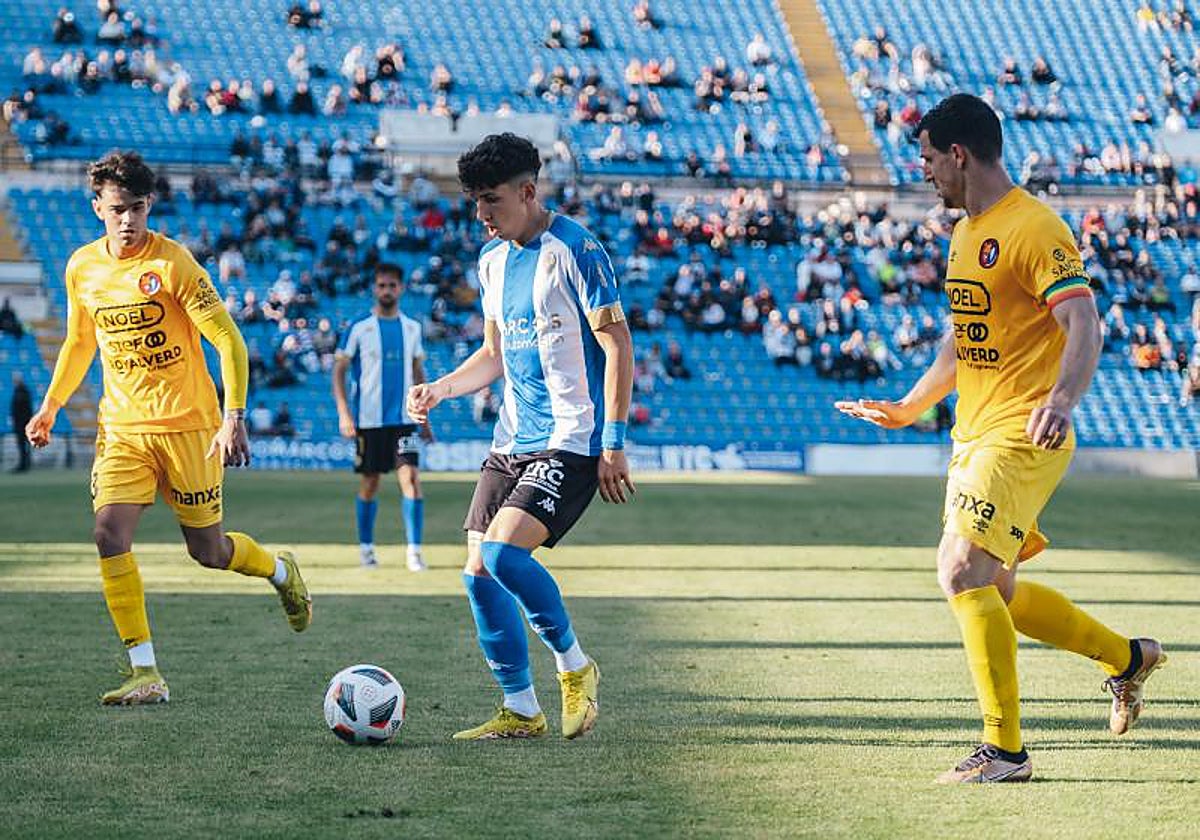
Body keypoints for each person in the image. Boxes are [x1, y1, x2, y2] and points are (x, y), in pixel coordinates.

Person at [836, 94, 1164, 784]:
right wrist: (909, 406)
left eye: (927, 158)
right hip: (976, 433)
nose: (923, 172)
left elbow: (1084, 322)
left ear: (958, 154)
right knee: (1000, 593)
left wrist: (1062, 399)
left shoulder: (1033, 227)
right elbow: (964, 340)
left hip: (1023, 431)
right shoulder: (966, 234)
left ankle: (1005, 751)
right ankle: (1128, 659)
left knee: (959, 570)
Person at [24, 151, 312, 706]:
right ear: (97, 209)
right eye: (116, 210)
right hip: (124, 428)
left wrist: (234, 417)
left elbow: (228, 339)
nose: (127, 220)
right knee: (109, 534)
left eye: (136, 208)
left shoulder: (175, 265)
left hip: (189, 426)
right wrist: (51, 405)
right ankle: (144, 671)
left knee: (207, 551)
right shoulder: (82, 267)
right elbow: (80, 341)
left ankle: (280, 570)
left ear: (149, 205)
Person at [407, 133, 635, 741]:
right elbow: (492, 353)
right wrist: (441, 388)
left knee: (506, 556)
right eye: (474, 202)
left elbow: (617, 344)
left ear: (528, 192)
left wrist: (613, 441)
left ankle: (576, 667)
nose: (480, 215)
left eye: (490, 201)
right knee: (477, 574)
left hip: (572, 437)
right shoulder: (492, 261)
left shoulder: (577, 249)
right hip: (511, 439)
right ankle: (521, 708)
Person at [333, 263, 431, 571]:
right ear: (375, 289)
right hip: (369, 421)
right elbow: (339, 371)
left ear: (401, 288)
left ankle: (414, 553)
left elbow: (418, 371)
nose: (386, 290)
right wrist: (344, 414)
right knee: (370, 483)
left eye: (392, 285)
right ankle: (366, 551)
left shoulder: (412, 328)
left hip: (404, 420)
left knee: (411, 480)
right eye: (381, 285)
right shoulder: (359, 328)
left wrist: (425, 418)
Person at [10, 371, 33, 472]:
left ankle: (24, 464)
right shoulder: (21, 391)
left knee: (23, 445)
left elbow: (23, 409)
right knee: (23, 445)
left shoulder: (22, 391)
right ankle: (24, 463)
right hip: (21, 423)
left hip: (22, 423)